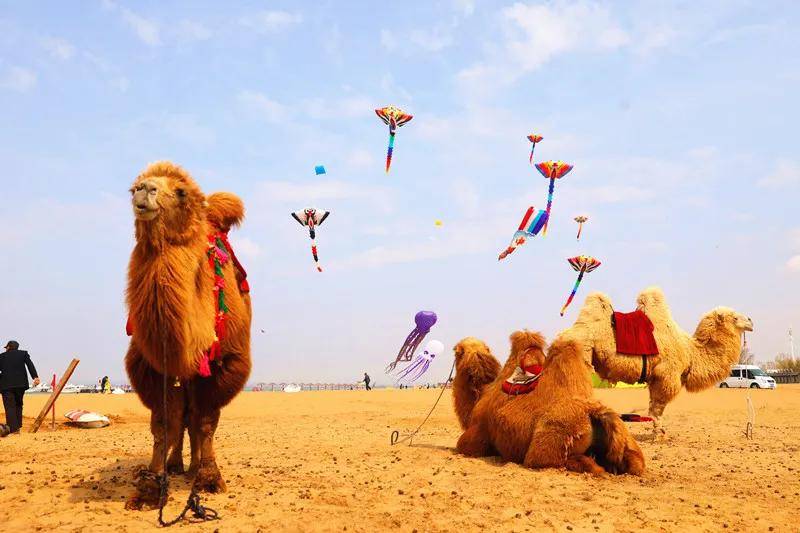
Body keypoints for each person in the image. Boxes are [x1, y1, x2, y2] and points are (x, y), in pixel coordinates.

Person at [0, 340, 40, 436]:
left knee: (10, 407)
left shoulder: (1, 356)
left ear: (8, 347)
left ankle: (14, 430)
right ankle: (17, 427)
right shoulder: (23, 354)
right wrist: (35, 377)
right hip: (21, 384)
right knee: (18, 404)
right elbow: (30, 365)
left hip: (6, 385)